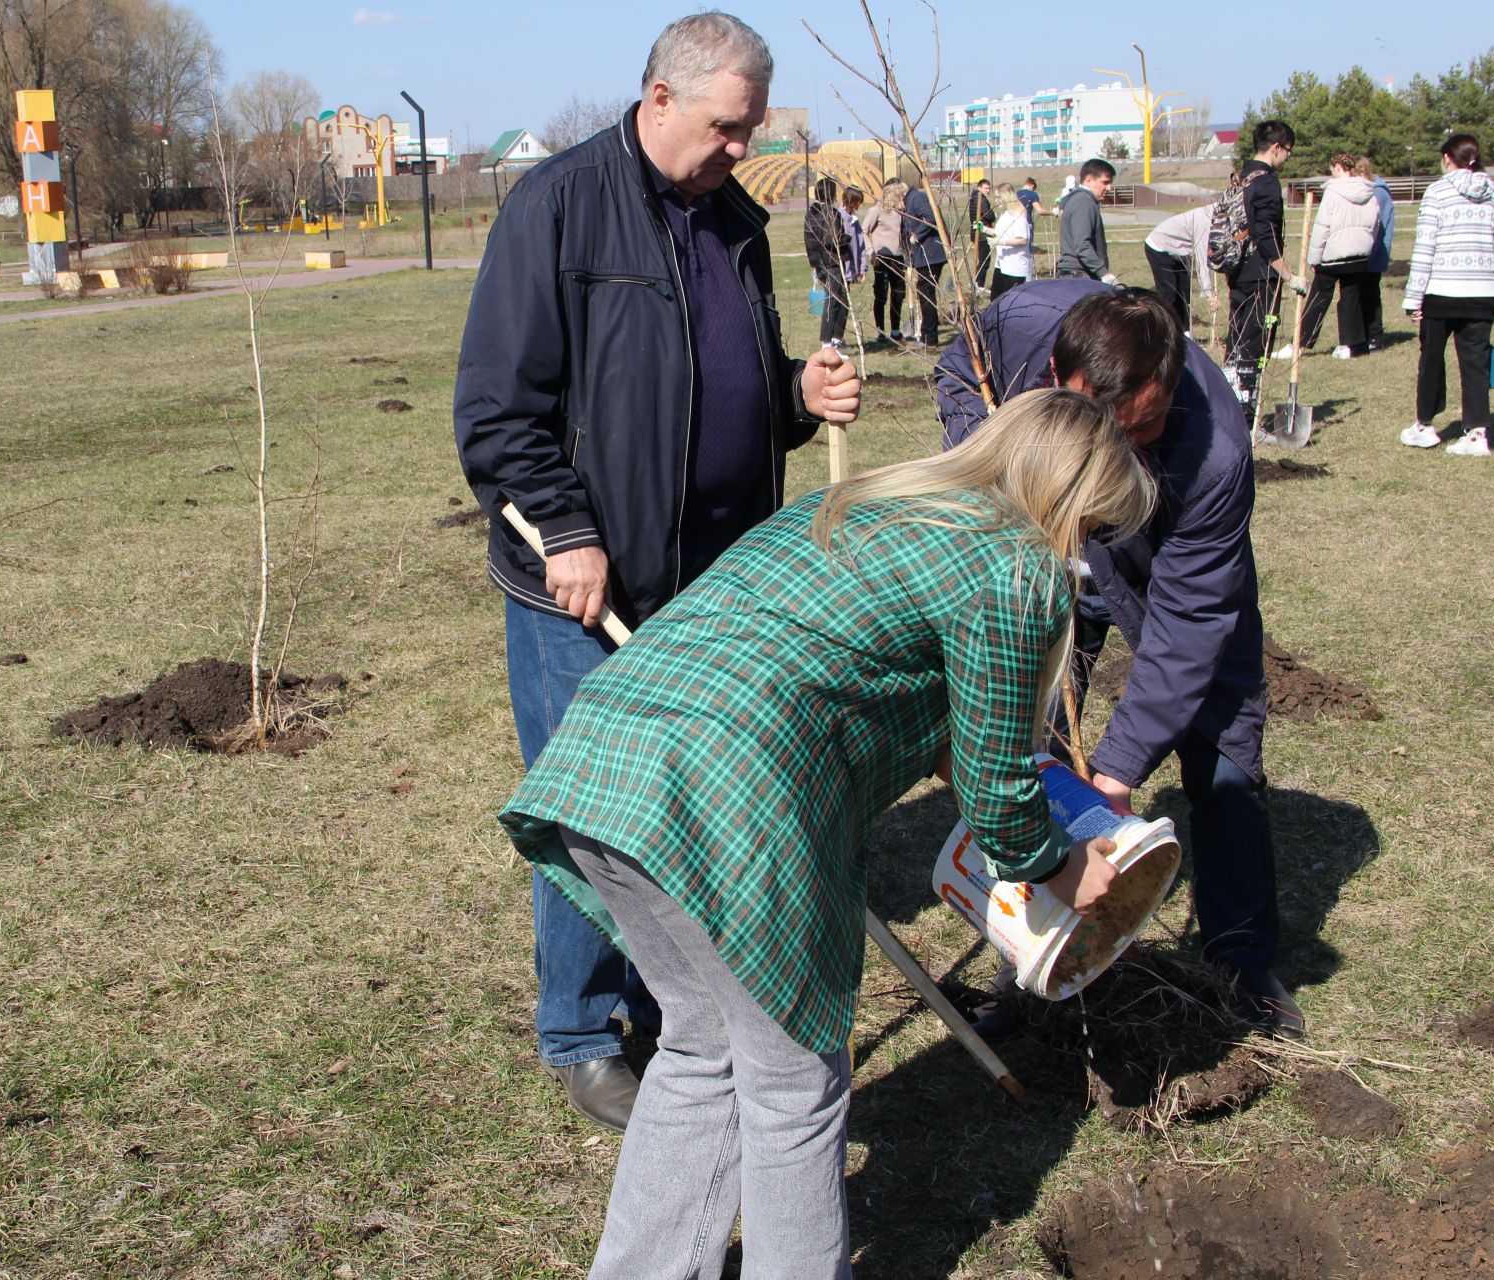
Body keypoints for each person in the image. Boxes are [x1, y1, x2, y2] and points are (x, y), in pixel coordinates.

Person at [501, 387, 1152, 1278]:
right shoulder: (1014, 565)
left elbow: (832, 655)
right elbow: (1001, 796)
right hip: (732, 796)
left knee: (700, 1049)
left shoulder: (856, 502)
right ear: (1071, 505)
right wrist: (1061, 867)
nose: (1085, 552)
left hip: (607, 763)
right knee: (792, 1086)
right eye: (1096, 529)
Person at [452, 10, 862, 1134]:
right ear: (661, 98)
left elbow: (708, 382)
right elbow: (498, 412)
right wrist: (570, 529)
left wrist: (793, 396)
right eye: (729, 127)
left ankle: (665, 1000)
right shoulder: (559, 207)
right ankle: (583, 1027)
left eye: (753, 128)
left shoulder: (728, 218)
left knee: (681, 808)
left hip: (709, 582)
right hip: (588, 586)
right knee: (597, 812)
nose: (743, 148)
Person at [936, 282, 1304, 1041]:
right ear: (1055, 378)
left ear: (1167, 392)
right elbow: (955, 367)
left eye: (1142, 434)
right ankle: (1034, 959)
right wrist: (998, 456)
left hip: (1155, 567)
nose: (1121, 453)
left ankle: (1240, 961)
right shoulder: (1022, 330)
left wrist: (1118, 772)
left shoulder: (1214, 456)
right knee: (1034, 747)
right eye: (1102, 431)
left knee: (1225, 749)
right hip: (1046, 541)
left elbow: (1190, 622)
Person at [1400, 134, 1494, 457]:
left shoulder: (1437, 192)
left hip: (1441, 289)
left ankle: (1424, 425)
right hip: (1483, 292)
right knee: (1476, 364)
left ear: (1448, 159)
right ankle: (1478, 432)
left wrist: (1413, 297)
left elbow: (1425, 247)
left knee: (1431, 360)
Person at [1223, 121, 1305, 410]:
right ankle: (1246, 411)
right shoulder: (1267, 182)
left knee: (1235, 338)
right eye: (1288, 152)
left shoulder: (1241, 177)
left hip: (1237, 271)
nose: (1288, 158)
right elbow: (1266, 234)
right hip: (1260, 274)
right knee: (1253, 341)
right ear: (1276, 148)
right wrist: (1289, 275)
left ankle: (1229, 401)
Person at [1277, 155, 1379, 359]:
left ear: (1339, 167)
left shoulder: (1333, 192)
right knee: (1351, 298)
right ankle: (1349, 345)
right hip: (1359, 255)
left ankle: (1300, 342)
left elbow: (1322, 227)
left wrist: (1314, 258)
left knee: (1319, 297)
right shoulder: (1370, 192)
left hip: (1334, 255)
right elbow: (1375, 224)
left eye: (1332, 168)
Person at [1143, 201, 1216, 334]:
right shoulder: (1204, 222)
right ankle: (1165, 333)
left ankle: (1185, 334)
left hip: (1178, 253)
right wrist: (1208, 293)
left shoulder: (1213, 218)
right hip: (1159, 247)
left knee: (1184, 294)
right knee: (1169, 294)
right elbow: (1201, 258)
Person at [805, 175, 852, 346]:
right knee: (834, 301)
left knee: (841, 299)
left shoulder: (810, 213)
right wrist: (847, 238)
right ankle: (827, 340)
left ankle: (836, 337)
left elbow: (810, 242)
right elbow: (831, 239)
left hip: (821, 263)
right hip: (832, 262)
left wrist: (816, 265)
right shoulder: (830, 213)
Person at [904, 174, 949, 345]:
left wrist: (917, 236)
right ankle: (927, 335)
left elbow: (931, 219)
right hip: (925, 254)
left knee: (926, 293)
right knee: (923, 291)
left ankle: (929, 337)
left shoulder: (916, 199)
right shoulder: (911, 200)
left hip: (932, 254)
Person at [864, 178, 910, 342]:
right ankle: (880, 331)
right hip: (882, 259)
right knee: (881, 296)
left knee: (898, 295)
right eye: (900, 197)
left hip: (898, 258)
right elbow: (863, 231)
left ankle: (896, 330)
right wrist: (871, 252)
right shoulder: (877, 210)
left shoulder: (902, 213)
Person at [1356, 155, 1394, 351]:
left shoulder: (1378, 193)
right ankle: (1361, 335)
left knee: (1370, 295)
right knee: (1360, 294)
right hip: (1361, 253)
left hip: (1373, 253)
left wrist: (1369, 251)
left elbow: (1377, 227)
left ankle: (1374, 336)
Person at [1056, 158, 1115, 281]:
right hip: (1079, 276)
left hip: (1079, 274)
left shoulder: (1082, 200)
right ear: (1088, 180)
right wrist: (1104, 273)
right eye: (1105, 182)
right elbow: (1082, 245)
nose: (1109, 188)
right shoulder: (1084, 202)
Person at [986, 182, 1033, 298]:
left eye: (998, 197)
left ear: (1007, 196)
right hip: (1001, 265)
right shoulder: (1006, 214)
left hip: (1015, 269)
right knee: (995, 300)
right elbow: (1000, 233)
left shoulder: (1019, 216)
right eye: (995, 197)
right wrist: (984, 229)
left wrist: (1002, 242)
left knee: (1010, 303)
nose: (996, 201)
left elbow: (1023, 240)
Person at [840, 184, 870, 328]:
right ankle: (834, 337)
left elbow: (860, 245)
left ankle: (839, 335)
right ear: (851, 201)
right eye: (858, 201)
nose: (860, 204)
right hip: (841, 270)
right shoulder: (840, 218)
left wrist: (862, 268)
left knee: (845, 303)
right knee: (838, 304)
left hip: (851, 270)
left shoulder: (854, 220)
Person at [968, 176, 998, 287]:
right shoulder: (981, 199)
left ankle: (974, 282)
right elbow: (989, 215)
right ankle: (979, 284)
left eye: (989, 188)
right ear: (979, 187)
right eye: (986, 188)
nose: (988, 190)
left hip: (976, 232)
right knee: (984, 260)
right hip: (983, 234)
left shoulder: (973, 198)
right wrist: (993, 216)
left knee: (979, 259)